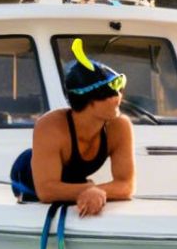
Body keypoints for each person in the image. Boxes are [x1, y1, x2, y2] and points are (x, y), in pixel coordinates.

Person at [9, 40, 137, 216]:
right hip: (29, 179)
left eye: (119, 90)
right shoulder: (50, 126)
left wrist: (93, 191)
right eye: (110, 94)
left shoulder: (119, 126)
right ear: (89, 101)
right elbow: (46, 191)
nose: (118, 97)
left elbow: (126, 185)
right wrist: (87, 189)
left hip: (74, 180)